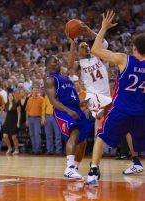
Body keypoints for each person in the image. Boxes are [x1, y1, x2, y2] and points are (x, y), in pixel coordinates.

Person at [86, 11, 145, 186]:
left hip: (121, 110)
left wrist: (103, 28)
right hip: (142, 113)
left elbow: (95, 50)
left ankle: (93, 171)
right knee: (133, 135)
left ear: (134, 48)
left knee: (101, 137)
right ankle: (135, 163)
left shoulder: (124, 59)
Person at [45, 55, 92, 179]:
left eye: (58, 60)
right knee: (74, 132)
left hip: (74, 108)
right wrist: (68, 111)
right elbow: (53, 101)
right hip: (62, 110)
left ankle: (75, 168)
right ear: (48, 65)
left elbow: (74, 100)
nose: (58, 62)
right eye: (55, 61)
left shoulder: (66, 78)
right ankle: (69, 168)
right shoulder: (50, 80)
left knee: (83, 141)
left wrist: (84, 102)